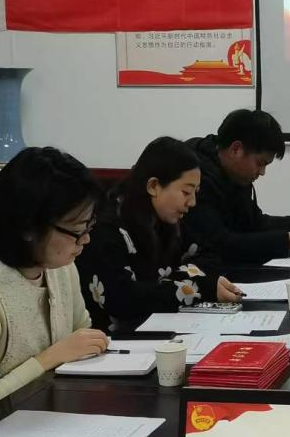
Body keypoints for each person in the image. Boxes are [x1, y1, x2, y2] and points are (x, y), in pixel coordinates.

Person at [0, 147, 108, 400]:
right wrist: (46, 361)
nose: (86, 239)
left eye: (89, 226)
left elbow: (82, 337)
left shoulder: (59, 265)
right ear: (28, 227)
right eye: (78, 230)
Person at [77, 137, 242, 331]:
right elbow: (124, 299)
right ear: (153, 186)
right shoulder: (106, 228)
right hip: (112, 340)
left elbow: (209, 256)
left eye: (195, 192)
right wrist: (195, 287)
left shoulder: (167, 219)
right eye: (186, 192)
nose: (192, 202)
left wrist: (173, 283)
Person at [183, 109, 290, 265]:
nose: (262, 172)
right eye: (260, 163)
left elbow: (255, 223)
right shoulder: (194, 177)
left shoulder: (234, 175)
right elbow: (219, 244)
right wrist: (288, 241)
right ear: (236, 149)